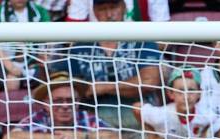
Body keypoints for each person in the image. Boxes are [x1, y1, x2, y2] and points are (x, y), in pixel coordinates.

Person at [63, 0, 162, 130]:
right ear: (94, 12)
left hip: (140, 121)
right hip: (94, 124)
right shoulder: (81, 46)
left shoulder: (141, 39)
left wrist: (103, 88)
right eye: (103, 9)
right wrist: (127, 87)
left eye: (113, 7)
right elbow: (74, 87)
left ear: (124, 7)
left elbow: (149, 81)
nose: (109, 15)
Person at [5, 71, 120, 139]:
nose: (65, 105)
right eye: (58, 101)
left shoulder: (87, 118)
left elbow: (118, 138)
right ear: (46, 104)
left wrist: (82, 136)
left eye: (70, 100)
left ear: (78, 102)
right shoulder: (37, 119)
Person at [134, 67, 220, 139]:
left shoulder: (206, 116)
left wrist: (203, 136)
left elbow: (212, 122)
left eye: (191, 91)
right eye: (180, 91)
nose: (186, 97)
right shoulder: (161, 116)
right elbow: (137, 108)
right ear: (171, 94)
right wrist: (154, 138)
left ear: (199, 93)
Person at [0, 0, 50, 93]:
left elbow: (49, 38)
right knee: (12, 81)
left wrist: (43, 56)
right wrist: (10, 66)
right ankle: (13, 106)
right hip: (5, 61)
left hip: (33, 60)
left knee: (46, 76)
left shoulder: (40, 11)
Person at [66, 0, 169, 21]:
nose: (109, 14)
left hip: (142, 53)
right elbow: (71, 39)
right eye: (102, 8)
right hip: (94, 54)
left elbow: (164, 40)